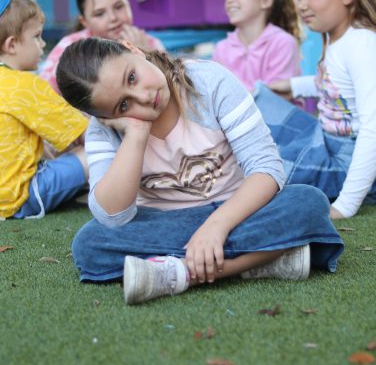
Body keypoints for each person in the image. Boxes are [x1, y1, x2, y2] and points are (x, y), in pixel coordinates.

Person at [55, 37, 343, 305]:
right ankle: (261, 260)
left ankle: (180, 272)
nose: (143, 97)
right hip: (167, 224)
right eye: (123, 105)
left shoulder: (209, 81)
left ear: (133, 49)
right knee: (89, 245)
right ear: (105, 118)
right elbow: (112, 216)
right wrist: (136, 135)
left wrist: (217, 226)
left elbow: (266, 168)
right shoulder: (104, 131)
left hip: (238, 212)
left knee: (309, 202)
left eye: (132, 77)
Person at [256, 0, 376, 219]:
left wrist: (344, 205)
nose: (301, 5)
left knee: (264, 169)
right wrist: (293, 87)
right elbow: (339, 86)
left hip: (358, 165)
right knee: (261, 103)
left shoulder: (363, 45)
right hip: (328, 141)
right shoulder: (339, 36)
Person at [0, 0, 89, 220]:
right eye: (37, 37)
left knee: (50, 147)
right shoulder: (26, 85)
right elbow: (87, 133)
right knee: (99, 149)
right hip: (22, 196)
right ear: (12, 45)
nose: (42, 45)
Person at [40, 0, 164, 93]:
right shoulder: (70, 47)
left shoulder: (150, 43)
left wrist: (146, 53)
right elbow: (45, 91)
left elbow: (171, 88)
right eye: (99, 14)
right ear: (85, 22)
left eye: (119, 6)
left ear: (129, 4)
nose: (113, 17)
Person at [212, 0, 302, 92]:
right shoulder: (222, 49)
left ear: (265, 1)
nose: (229, 0)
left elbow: (278, 97)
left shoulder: (282, 43)